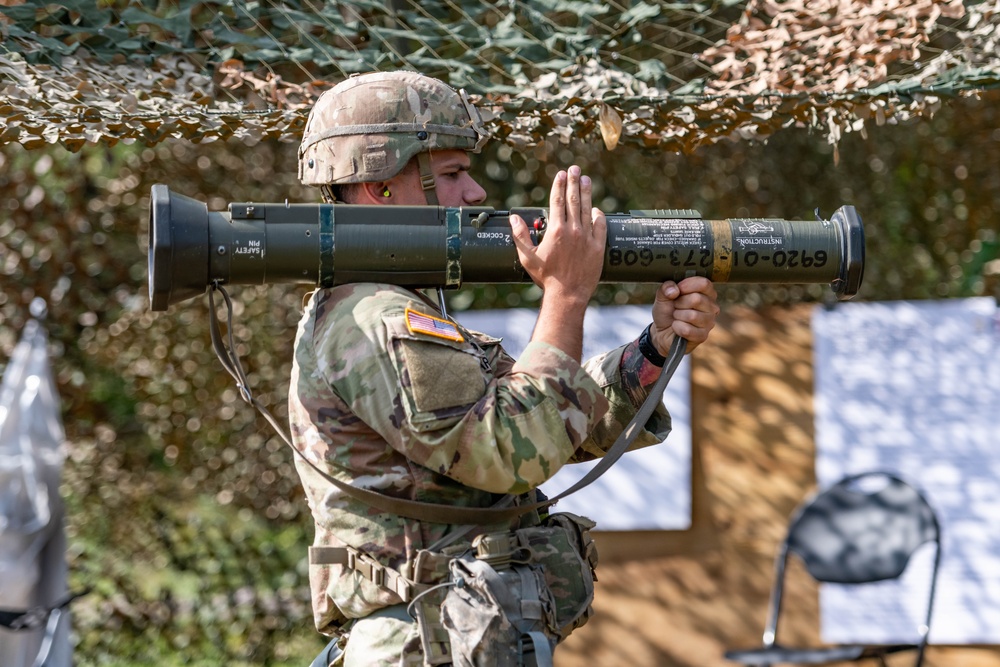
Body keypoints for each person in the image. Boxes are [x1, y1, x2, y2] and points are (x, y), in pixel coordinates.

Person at [288, 71, 719, 667]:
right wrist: (565, 297)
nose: (474, 194)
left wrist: (652, 350)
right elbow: (513, 451)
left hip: (454, 636)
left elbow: (545, 415)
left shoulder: (399, 310)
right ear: (381, 186)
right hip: (428, 642)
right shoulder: (375, 321)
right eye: (450, 174)